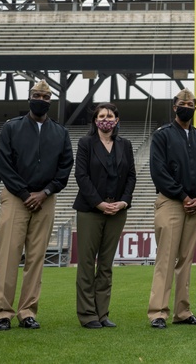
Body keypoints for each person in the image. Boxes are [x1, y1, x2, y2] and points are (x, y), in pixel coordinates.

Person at [0, 79, 74, 330]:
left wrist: (46, 191)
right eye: (36, 95)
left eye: (45, 97)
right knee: (8, 255)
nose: (40, 100)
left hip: (45, 200)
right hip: (16, 198)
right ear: (29, 97)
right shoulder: (11, 128)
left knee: (36, 258)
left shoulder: (60, 132)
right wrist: (25, 192)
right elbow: (4, 164)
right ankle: (3, 312)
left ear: (51, 101)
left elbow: (65, 167)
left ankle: (27, 311)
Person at [147, 88, 196, 329]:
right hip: (171, 203)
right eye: (183, 103)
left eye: (192, 103)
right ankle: (158, 312)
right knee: (166, 259)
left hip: (195, 206)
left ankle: (183, 311)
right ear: (174, 107)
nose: (188, 106)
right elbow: (159, 171)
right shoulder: (162, 135)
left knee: (186, 261)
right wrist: (184, 195)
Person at [73, 102, 136, 329]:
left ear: (117, 120)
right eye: (101, 116)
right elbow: (81, 176)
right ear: (95, 120)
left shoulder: (125, 145)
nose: (106, 119)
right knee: (87, 263)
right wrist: (99, 203)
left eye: (110, 116)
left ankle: (102, 313)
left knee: (106, 265)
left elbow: (131, 176)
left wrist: (124, 202)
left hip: (117, 211)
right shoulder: (85, 143)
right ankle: (87, 314)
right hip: (91, 210)